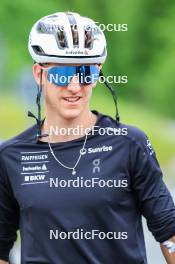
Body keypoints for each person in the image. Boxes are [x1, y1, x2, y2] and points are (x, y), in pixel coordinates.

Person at [0, 11, 175, 264]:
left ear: (97, 74)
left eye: (85, 74)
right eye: (61, 75)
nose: (74, 86)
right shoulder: (10, 157)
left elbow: (169, 232)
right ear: (39, 75)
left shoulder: (129, 144)